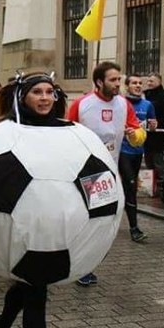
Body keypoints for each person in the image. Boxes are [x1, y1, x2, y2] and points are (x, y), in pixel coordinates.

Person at [0, 73, 71, 328]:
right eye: (37, 92)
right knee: (36, 295)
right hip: (20, 227)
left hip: (55, 226)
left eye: (49, 91)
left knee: (28, 287)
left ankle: (1, 323)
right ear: (23, 96)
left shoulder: (67, 132)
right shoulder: (1, 133)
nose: (44, 97)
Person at [67, 61, 142, 286]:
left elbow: (137, 132)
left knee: (101, 222)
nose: (117, 83)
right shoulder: (82, 104)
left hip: (110, 172)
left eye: (119, 79)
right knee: (89, 221)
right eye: (113, 80)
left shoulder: (124, 104)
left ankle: (84, 265)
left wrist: (135, 134)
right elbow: (66, 133)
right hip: (84, 171)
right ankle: (81, 266)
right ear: (99, 82)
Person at [119, 75, 157, 242]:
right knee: (130, 184)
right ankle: (134, 228)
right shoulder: (119, 103)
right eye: (134, 83)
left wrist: (153, 125)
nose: (138, 85)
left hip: (137, 151)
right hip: (121, 151)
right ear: (127, 86)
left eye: (140, 83)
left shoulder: (147, 104)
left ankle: (124, 213)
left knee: (130, 189)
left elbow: (151, 125)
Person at [143, 72, 164, 183]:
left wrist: (156, 123)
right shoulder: (145, 95)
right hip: (145, 133)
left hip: (157, 134)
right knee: (148, 159)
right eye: (148, 81)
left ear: (159, 81)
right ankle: (150, 184)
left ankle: (161, 183)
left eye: (152, 81)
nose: (149, 83)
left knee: (157, 159)